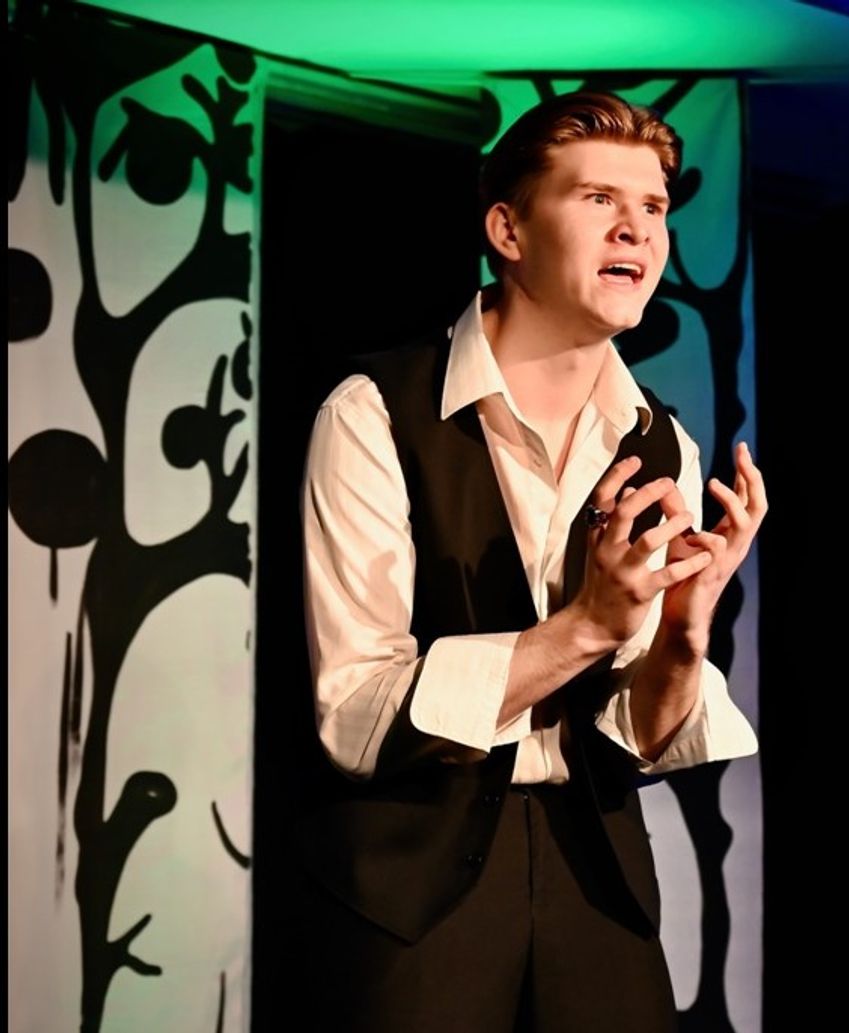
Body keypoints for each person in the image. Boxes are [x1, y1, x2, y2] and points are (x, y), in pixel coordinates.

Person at [296, 91, 763, 1032]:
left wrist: (684, 632)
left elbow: (640, 735)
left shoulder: (660, 441)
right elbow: (355, 713)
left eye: (654, 205)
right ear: (508, 230)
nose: (637, 228)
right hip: (417, 890)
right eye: (598, 199)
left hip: (598, 878)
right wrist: (585, 626)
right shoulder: (375, 411)